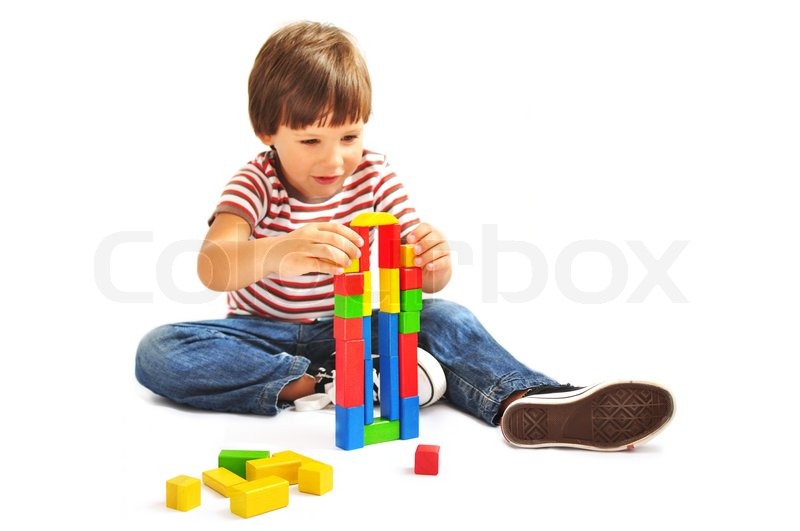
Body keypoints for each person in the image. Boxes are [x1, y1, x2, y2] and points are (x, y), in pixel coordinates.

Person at [135, 20, 674, 451]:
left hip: (351, 329)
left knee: (446, 316)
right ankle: (326, 385)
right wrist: (276, 252)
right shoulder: (256, 181)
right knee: (160, 349)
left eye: (349, 134)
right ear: (267, 133)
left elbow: (420, 265)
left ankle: (528, 399)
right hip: (260, 336)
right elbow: (213, 264)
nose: (335, 158)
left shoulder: (373, 176)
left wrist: (434, 260)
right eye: (310, 140)